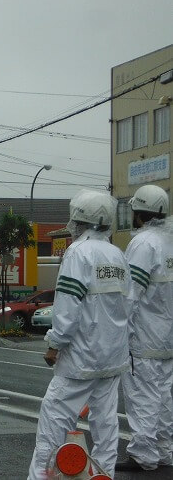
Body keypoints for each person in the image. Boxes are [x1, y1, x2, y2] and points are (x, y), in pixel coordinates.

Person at [28, 190, 131, 479]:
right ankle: (103, 474)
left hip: (81, 357)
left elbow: (68, 307)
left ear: (81, 220)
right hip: (113, 356)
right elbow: (129, 305)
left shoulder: (78, 253)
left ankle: (41, 476)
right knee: (106, 424)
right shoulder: (117, 255)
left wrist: (54, 344)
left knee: (55, 419)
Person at [116, 185, 173, 471]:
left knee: (143, 395)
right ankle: (164, 451)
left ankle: (143, 454)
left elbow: (130, 294)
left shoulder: (143, 244)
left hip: (144, 337)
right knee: (164, 396)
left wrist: (118, 333)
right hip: (168, 338)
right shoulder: (170, 241)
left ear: (138, 213)